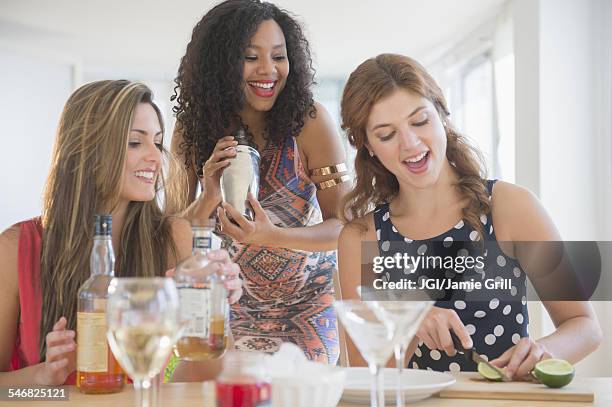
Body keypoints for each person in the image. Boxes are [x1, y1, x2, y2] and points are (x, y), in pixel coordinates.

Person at [337, 54, 602, 379]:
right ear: (368, 146)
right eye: (387, 134)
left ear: (442, 115)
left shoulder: (510, 207)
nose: (410, 143)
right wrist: (409, 321)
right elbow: (368, 376)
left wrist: (546, 352)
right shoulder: (362, 238)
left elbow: (584, 326)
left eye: (420, 121)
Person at [0, 80, 242, 385]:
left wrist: (214, 310)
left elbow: (208, 379)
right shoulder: (14, 249)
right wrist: (43, 378)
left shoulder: (175, 238)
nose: (156, 157)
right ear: (86, 149)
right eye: (134, 142)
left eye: (157, 141)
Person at [167, 0, 349, 364]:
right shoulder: (191, 132)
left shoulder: (310, 121)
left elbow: (344, 227)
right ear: (220, 64)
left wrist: (272, 236)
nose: (269, 70)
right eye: (251, 57)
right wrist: (207, 195)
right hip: (225, 307)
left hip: (308, 308)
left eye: (278, 56)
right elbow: (173, 237)